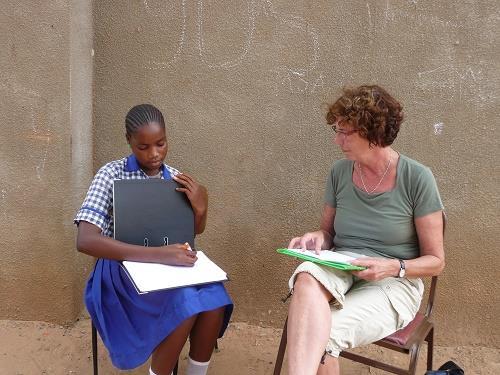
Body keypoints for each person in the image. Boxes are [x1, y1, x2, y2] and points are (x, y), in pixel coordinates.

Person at [285, 85, 444, 375]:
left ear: (374, 133)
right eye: (336, 129)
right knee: (306, 276)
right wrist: (317, 238)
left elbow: (436, 262)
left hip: (395, 282)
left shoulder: (417, 178)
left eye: (346, 132)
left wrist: (391, 267)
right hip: (342, 266)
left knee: (322, 337)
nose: (337, 140)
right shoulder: (339, 173)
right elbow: (328, 234)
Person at [74, 104, 233, 375]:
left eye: (161, 143)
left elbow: (190, 234)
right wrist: (161, 254)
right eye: (143, 147)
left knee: (215, 299)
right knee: (184, 302)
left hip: (168, 265)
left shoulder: (174, 177)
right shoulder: (111, 175)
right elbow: (86, 241)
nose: (154, 154)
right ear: (129, 142)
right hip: (120, 270)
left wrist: (200, 207)